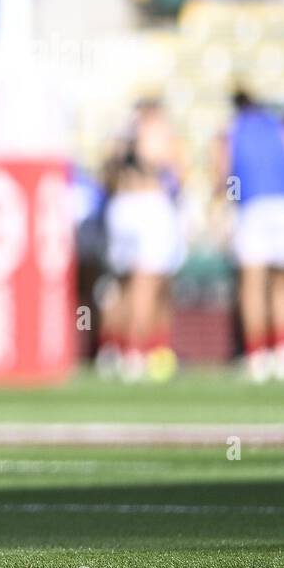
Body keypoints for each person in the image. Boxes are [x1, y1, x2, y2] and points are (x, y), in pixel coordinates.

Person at [102, 98, 186, 382]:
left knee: (123, 283)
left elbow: (107, 176)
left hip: (121, 207)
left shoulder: (119, 136)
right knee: (146, 282)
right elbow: (177, 173)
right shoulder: (157, 131)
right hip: (149, 206)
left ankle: (113, 348)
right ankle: (137, 352)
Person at [214, 89, 284, 381]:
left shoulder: (232, 130)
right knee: (281, 287)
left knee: (252, 285)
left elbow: (225, 174)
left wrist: (228, 200)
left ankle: (257, 355)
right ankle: (280, 353)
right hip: (281, 206)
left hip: (252, 207)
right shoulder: (276, 125)